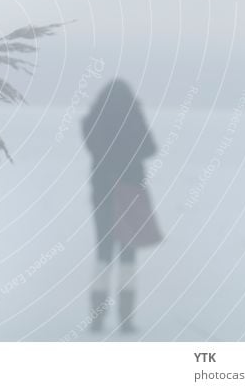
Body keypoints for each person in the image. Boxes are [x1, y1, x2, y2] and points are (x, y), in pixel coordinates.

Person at [81, 79, 161, 333]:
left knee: (103, 254)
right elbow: (151, 148)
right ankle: (126, 319)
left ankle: (97, 318)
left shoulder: (92, 121)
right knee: (127, 256)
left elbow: (94, 149)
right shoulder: (133, 118)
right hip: (130, 191)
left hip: (102, 193)